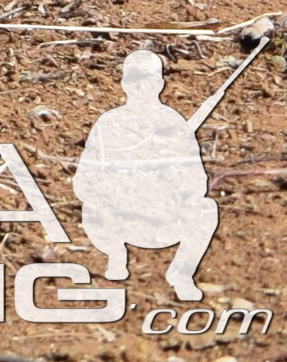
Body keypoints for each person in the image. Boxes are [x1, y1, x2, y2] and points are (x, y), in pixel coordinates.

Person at [74, 48, 221, 300]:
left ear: (160, 84)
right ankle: (116, 255)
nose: (142, 88)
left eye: (149, 81)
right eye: (135, 81)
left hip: (163, 219)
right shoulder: (108, 123)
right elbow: (83, 180)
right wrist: (116, 185)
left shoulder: (174, 124)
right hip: (118, 221)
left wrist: (165, 183)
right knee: (92, 207)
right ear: (124, 84)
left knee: (206, 209)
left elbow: (197, 182)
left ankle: (181, 274)